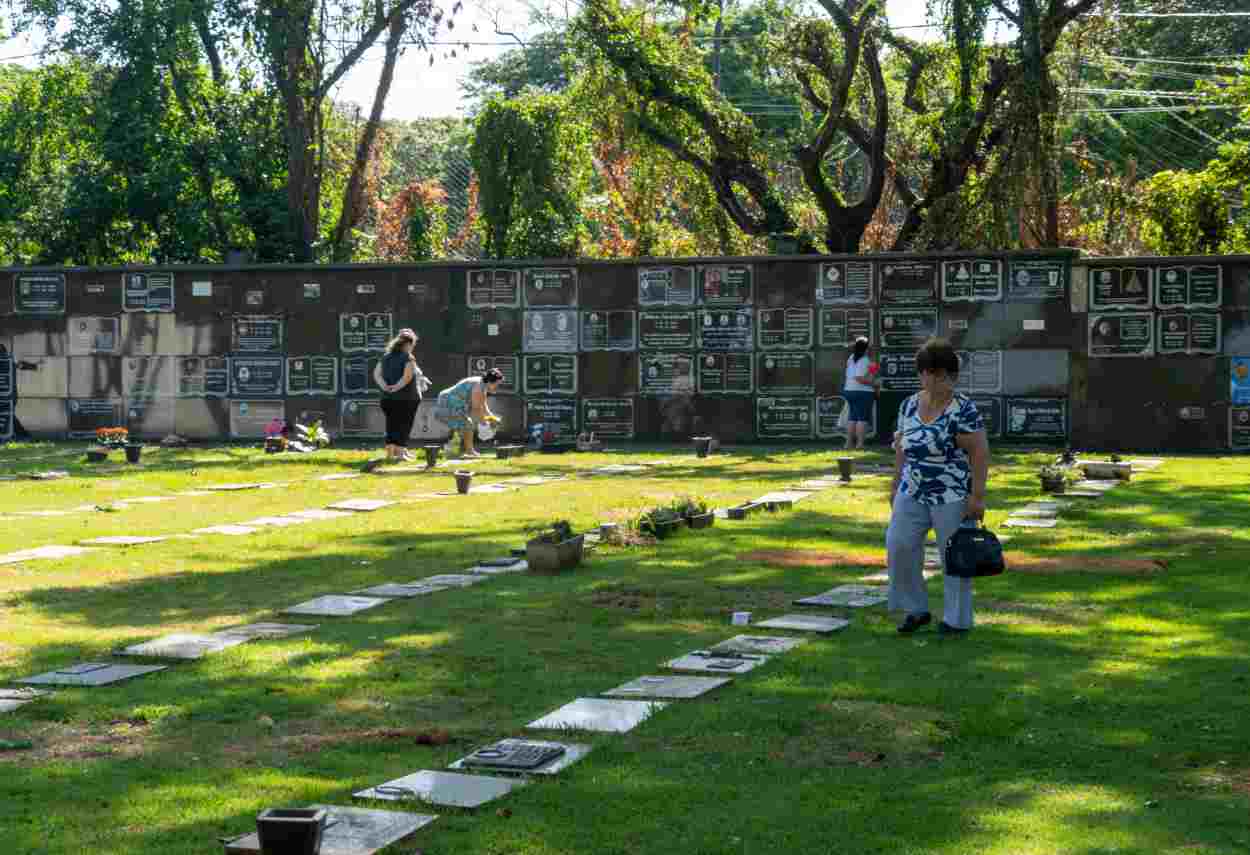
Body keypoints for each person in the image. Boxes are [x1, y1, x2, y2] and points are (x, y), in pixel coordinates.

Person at [886, 337, 989, 636]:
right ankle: (915, 609)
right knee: (898, 544)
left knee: (954, 555)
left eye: (946, 375)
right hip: (912, 489)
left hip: (952, 493)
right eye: (934, 373)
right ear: (923, 374)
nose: (941, 380)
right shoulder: (908, 405)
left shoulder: (963, 409)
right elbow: (902, 448)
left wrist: (977, 497)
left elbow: (980, 452)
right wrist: (894, 485)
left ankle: (956, 621)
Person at [373, 328, 428, 462]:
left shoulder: (385, 356)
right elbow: (407, 377)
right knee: (404, 425)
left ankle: (391, 454)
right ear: (408, 344)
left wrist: (385, 387)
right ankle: (401, 453)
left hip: (387, 398)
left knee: (391, 425)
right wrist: (396, 387)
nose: (412, 348)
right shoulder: (408, 357)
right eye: (412, 345)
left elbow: (376, 374)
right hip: (406, 398)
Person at [434, 368, 504, 458]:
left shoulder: (483, 385)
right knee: (467, 424)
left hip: (454, 404)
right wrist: (485, 425)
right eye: (497, 384)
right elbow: (476, 409)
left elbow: (483, 404)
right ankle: (466, 451)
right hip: (447, 404)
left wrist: (491, 417)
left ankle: (459, 451)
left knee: (466, 426)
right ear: (490, 381)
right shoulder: (479, 387)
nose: (497, 386)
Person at [843, 336, 877, 450]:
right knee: (862, 419)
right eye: (868, 347)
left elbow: (853, 375)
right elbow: (859, 378)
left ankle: (848, 444)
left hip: (849, 390)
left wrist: (872, 371)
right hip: (862, 392)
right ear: (865, 348)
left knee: (852, 418)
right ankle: (860, 444)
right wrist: (874, 383)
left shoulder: (851, 358)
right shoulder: (865, 360)